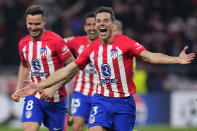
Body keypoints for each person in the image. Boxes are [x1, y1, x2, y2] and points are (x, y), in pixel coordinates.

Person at [16, 7, 195, 131]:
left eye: (105, 21)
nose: (101, 24)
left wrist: (176, 60)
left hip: (124, 103)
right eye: (98, 21)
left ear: (112, 24)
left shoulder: (126, 43)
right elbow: (68, 70)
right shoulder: (91, 49)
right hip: (101, 100)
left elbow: (150, 56)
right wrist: (39, 86)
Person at [10, 4, 75, 131]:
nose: (33, 28)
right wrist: (18, 89)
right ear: (26, 22)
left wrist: (54, 87)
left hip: (57, 99)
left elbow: (73, 67)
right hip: (34, 96)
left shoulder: (56, 41)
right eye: (30, 23)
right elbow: (24, 65)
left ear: (44, 22)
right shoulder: (23, 43)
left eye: (37, 24)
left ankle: (66, 115)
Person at [64, 12, 99, 131]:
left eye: (95, 24)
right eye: (89, 24)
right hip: (81, 91)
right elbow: (57, 43)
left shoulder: (107, 44)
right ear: (85, 27)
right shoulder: (77, 41)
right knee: (76, 126)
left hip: (101, 94)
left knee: (96, 128)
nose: (92, 28)